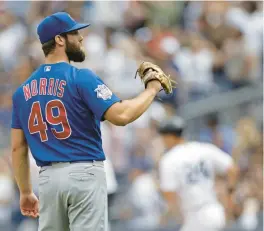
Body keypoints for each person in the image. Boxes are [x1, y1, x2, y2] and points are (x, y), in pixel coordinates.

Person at [11, 12, 162, 231]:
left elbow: (17, 148)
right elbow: (122, 116)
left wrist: (25, 192)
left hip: (48, 180)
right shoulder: (81, 77)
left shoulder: (21, 92)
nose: (81, 38)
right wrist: (152, 89)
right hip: (83, 173)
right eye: (75, 33)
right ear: (60, 39)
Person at [158, 116, 239, 231]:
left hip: (195, 216)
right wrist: (230, 195)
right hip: (215, 211)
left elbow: (169, 194)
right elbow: (232, 168)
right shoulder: (203, 148)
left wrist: (175, 215)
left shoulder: (169, 159)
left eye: (164, 137)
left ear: (170, 136)